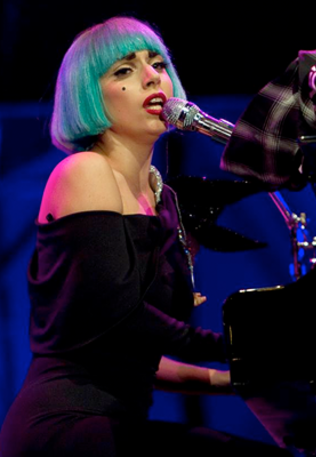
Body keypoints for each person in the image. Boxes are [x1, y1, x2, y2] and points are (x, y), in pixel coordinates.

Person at [0, 16, 289, 457]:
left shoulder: (163, 200)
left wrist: (236, 380)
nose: (152, 76)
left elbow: (132, 356)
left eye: (157, 63)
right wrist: (251, 349)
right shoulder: (85, 171)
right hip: (64, 426)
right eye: (124, 70)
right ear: (89, 96)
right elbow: (124, 320)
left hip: (117, 424)